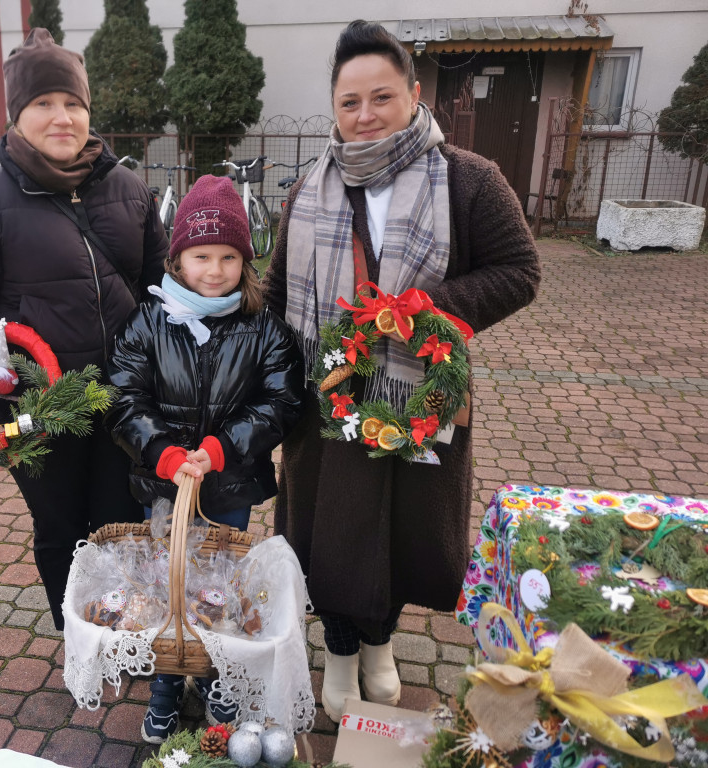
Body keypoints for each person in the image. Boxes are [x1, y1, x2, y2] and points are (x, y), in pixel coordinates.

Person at [263, 21, 541, 721]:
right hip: (322, 399)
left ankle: (381, 645)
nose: (364, 115)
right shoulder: (307, 190)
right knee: (330, 531)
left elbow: (520, 272)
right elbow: (273, 294)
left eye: (380, 97)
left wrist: (423, 311)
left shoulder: (469, 180)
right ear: (333, 107)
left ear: (414, 94)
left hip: (415, 396)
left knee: (397, 528)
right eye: (349, 101)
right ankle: (342, 651)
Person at [0, 28, 168, 632]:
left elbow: (162, 292)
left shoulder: (128, 188)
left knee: (121, 524)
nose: (62, 117)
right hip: (42, 412)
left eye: (74, 104)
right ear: (16, 116)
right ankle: (80, 640)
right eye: (43, 104)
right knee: (60, 527)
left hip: (124, 401)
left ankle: (124, 631)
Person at [104, 175, 305, 743]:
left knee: (220, 588)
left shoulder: (263, 327)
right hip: (164, 488)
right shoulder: (149, 321)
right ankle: (167, 681)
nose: (214, 270)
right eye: (200, 256)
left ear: (245, 259)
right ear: (177, 258)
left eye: (228, 257)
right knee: (166, 586)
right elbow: (123, 397)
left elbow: (282, 400)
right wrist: (163, 454)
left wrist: (220, 449)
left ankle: (217, 675)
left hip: (230, 489)